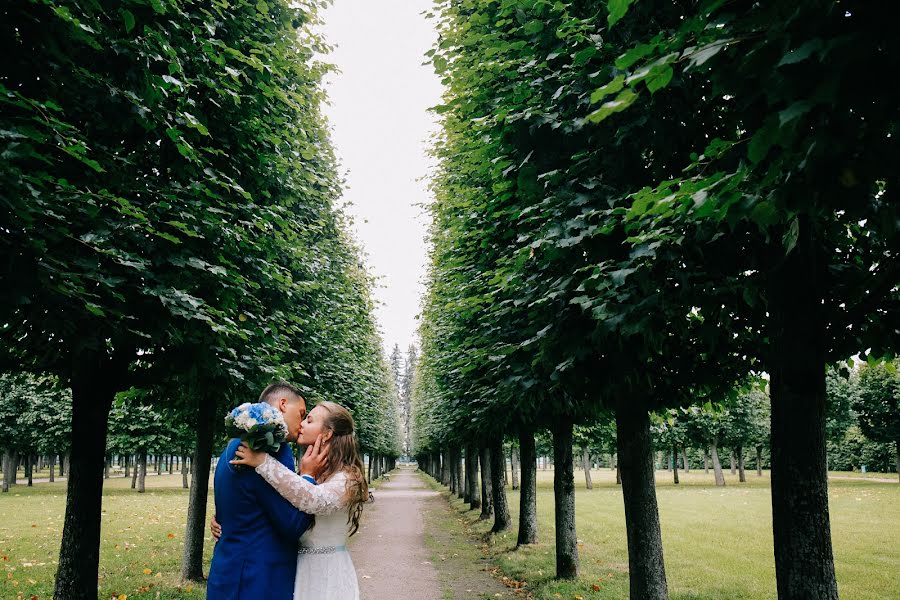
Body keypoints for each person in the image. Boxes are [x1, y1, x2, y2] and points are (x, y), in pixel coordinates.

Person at [230, 400, 369, 600]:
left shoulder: (349, 478)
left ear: (328, 433)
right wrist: (227, 521)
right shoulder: (310, 472)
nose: (301, 424)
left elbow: (315, 501)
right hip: (298, 570)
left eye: (309, 420)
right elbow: (281, 510)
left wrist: (263, 462)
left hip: (329, 574)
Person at [207, 382, 328, 600]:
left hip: (226, 575)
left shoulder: (235, 442)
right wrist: (309, 477)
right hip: (259, 580)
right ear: (282, 404)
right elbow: (293, 525)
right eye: (301, 414)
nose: (301, 424)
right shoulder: (269, 447)